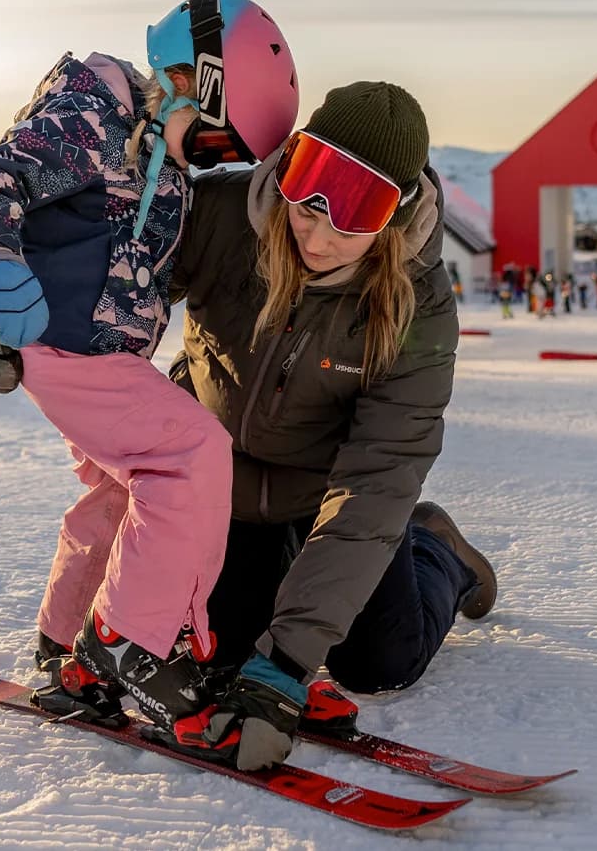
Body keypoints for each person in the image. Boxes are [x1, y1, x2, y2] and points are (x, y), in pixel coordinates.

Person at [0, 0, 300, 734]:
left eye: (229, 157)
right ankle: (130, 645)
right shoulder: (91, 118)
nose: (212, 162)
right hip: (62, 341)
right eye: (216, 142)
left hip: (93, 350)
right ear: (185, 79)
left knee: (121, 491)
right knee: (192, 454)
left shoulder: (160, 159)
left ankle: (69, 641)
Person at [144, 81, 496, 772]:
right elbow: (121, 274)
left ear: (393, 219)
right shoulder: (223, 217)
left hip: (328, 496)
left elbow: (377, 477)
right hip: (223, 485)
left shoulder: (417, 309)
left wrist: (290, 663)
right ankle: (270, 587)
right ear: (291, 164)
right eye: (309, 196)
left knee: (376, 662)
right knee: (224, 652)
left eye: (356, 216)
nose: (320, 233)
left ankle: (439, 552)